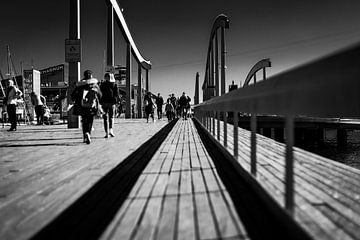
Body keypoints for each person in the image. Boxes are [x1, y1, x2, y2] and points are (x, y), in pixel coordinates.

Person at [71, 70, 102, 144]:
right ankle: (89, 133)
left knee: (84, 120)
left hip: (82, 106)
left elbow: (73, 95)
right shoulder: (95, 85)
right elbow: (100, 95)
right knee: (90, 120)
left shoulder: (80, 85)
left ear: (84, 76)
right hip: (92, 106)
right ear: (91, 76)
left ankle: (85, 134)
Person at [100, 72, 119, 138]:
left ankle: (107, 133)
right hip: (111, 103)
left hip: (104, 103)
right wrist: (116, 102)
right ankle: (111, 130)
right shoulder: (114, 84)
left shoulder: (102, 85)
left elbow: (100, 94)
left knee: (105, 118)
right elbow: (116, 94)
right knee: (111, 117)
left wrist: (100, 102)